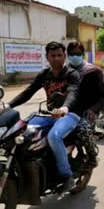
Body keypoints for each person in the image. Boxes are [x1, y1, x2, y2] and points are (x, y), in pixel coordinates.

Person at [7, 42, 81, 191]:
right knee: (23, 131)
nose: (56, 58)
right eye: (53, 56)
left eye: (60, 55)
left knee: (54, 136)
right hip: (48, 115)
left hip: (70, 114)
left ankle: (66, 175)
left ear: (65, 56)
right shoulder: (44, 75)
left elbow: (73, 92)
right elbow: (28, 92)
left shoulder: (71, 74)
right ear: (47, 57)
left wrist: (65, 108)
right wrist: (8, 106)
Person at [67, 42, 104, 168]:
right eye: (72, 54)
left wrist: (93, 110)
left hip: (87, 112)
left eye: (78, 54)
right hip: (66, 112)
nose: (75, 56)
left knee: (82, 130)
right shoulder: (63, 72)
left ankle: (92, 156)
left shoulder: (94, 71)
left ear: (83, 55)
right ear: (68, 55)